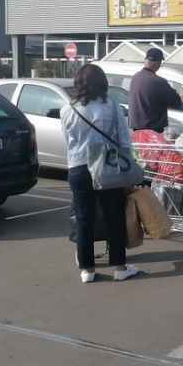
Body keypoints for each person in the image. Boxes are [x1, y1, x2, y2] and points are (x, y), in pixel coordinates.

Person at [60, 64, 139, 283]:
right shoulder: (112, 107)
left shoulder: (67, 109)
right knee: (115, 216)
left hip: (78, 167)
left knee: (84, 218)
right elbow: (124, 141)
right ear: (103, 84)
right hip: (108, 167)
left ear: (78, 84)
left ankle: (87, 270)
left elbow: (69, 142)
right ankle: (120, 268)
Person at [127, 47, 182, 133]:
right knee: (152, 147)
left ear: (145, 60)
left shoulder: (135, 77)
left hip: (136, 128)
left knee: (138, 146)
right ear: (158, 63)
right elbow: (176, 102)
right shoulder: (158, 81)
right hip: (152, 129)